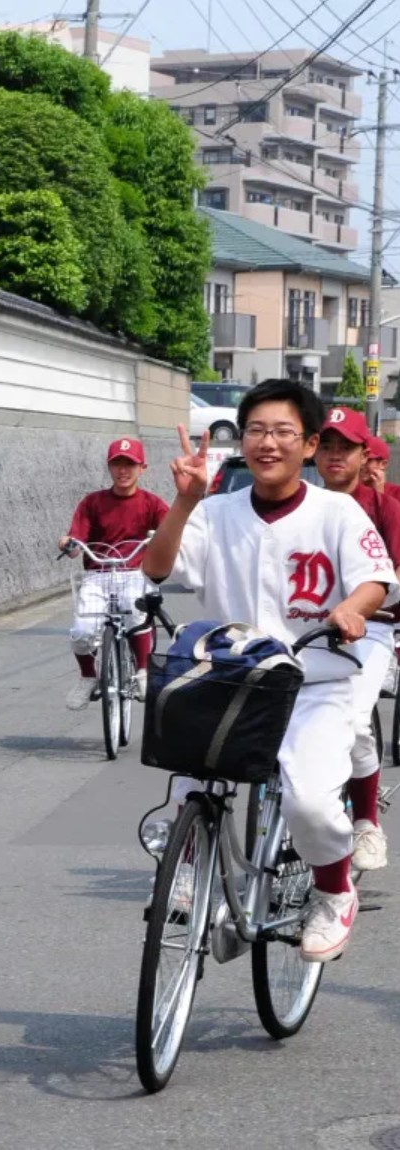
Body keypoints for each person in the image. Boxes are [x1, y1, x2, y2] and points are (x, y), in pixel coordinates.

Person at [144, 380, 396, 962]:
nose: (268, 442)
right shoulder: (214, 511)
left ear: (308, 446)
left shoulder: (336, 511)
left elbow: (374, 579)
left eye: (284, 432)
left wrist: (352, 610)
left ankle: (335, 892)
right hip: (232, 677)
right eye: (257, 430)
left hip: (315, 680)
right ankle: (189, 864)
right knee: (188, 785)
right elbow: (157, 569)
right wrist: (183, 501)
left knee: (308, 802)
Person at [313, 408, 398, 873]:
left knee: (355, 724)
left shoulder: (384, 508)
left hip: (373, 628)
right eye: (326, 446)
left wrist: (363, 604)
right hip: (307, 629)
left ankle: (366, 820)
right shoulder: (303, 502)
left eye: (344, 447)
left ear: (365, 454)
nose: (334, 456)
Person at [58, 438, 168, 710]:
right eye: (117, 463)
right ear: (109, 467)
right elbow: (77, 538)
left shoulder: (152, 504)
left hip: (135, 572)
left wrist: (164, 542)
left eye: (129, 464)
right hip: (98, 573)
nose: (123, 470)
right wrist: (69, 543)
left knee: (135, 611)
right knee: (82, 631)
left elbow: (171, 532)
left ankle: (143, 671)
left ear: (142, 467)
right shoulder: (92, 502)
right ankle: (87, 676)